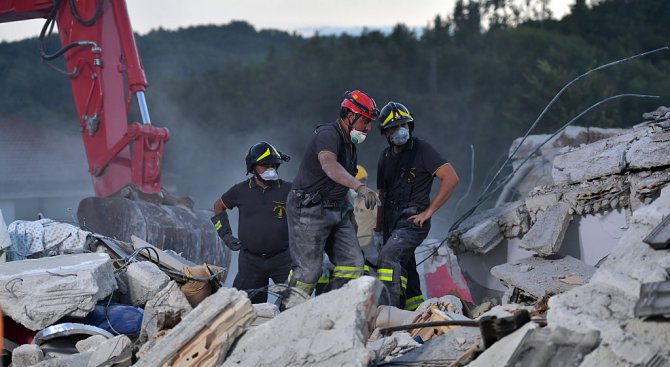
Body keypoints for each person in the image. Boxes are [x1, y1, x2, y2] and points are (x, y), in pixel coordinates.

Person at [282, 90, 380, 308]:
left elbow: (339, 183)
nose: (369, 128)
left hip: (337, 209)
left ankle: (332, 312)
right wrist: (360, 187)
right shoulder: (328, 134)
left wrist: (350, 215)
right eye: (365, 121)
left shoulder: (349, 144)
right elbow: (329, 165)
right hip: (310, 209)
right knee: (309, 272)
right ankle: (288, 315)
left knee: (354, 264)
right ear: (349, 115)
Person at [374, 101, 459, 311]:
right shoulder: (385, 157)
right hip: (390, 223)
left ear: (410, 126)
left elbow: (451, 178)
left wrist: (429, 212)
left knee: (388, 258)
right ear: (385, 132)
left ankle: (389, 312)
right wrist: (378, 228)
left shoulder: (423, 150)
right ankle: (414, 310)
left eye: (403, 125)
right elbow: (382, 195)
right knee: (407, 267)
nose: (399, 130)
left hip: (413, 222)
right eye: (394, 127)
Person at [212, 141, 292, 304]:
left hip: (283, 260)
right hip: (250, 262)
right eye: (264, 165)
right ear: (253, 167)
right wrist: (226, 236)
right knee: (245, 308)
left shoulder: (288, 190)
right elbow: (218, 206)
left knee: (293, 304)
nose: (270, 169)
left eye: (273, 165)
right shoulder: (240, 190)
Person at [350, 164, 380, 265]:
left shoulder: (372, 197)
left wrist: (379, 236)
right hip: (357, 245)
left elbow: (380, 219)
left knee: (373, 269)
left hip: (369, 245)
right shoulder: (356, 199)